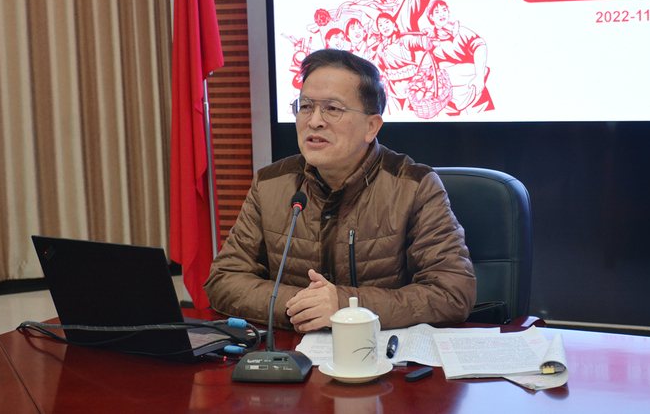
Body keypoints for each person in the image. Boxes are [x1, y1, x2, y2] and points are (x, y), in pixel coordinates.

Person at [204, 49, 476, 333]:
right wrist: (303, 305)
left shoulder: (415, 186)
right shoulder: (270, 184)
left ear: (371, 126)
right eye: (305, 106)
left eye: (332, 108)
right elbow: (224, 280)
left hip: (380, 353)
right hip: (295, 351)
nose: (314, 121)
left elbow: (453, 292)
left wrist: (344, 306)